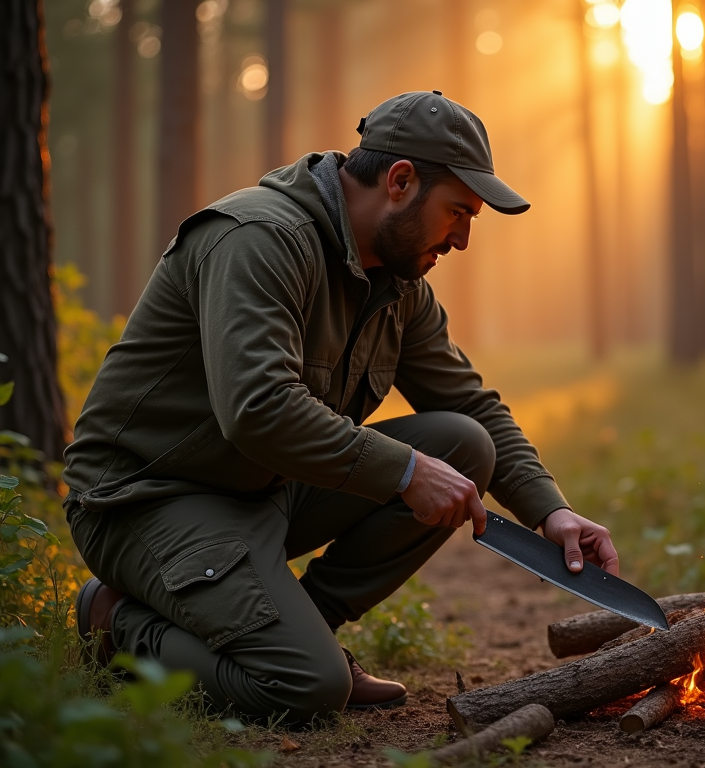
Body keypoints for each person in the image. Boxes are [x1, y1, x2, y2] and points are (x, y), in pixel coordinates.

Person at [65, 91, 618, 720]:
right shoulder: (260, 239)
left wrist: (553, 512)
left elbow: (469, 402)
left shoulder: (399, 285)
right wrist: (406, 471)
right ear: (400, 181)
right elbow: (259, 409)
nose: (463, 239)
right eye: (458, 212)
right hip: (147, 498)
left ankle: (310, 627)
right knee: (304, 687)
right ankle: (115, 622)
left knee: (464, 445)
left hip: (262, 490)